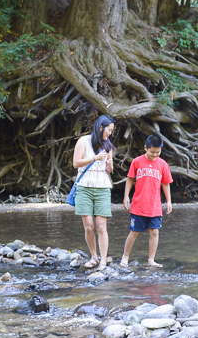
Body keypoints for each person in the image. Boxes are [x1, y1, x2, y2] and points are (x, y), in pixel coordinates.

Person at [120, 134, 173, 268]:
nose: (155, 155)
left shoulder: (163, 164)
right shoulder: (137, 162)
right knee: (134, 232)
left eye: (158, 152)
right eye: (152, 152)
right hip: (138, 205)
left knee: (154, 232)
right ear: (145, 148)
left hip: (155, 206)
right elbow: (130, 179)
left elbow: (166, 183)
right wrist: (126, 196)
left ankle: (151, 260)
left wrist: (169, 201)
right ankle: (125, 257)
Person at [72, 115, 115, 269]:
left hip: (103, 188)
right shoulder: (83, 141)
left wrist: (109, 164)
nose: (110, 133)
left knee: (101, 227)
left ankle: (103, 260)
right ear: (100, 127)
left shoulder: (108, 145)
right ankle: (94, 257)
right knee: (89, 226)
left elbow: (109, 170)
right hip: (84, 187)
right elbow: (75, 163)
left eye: (111, 131)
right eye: (109, 130)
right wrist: (95, 158)